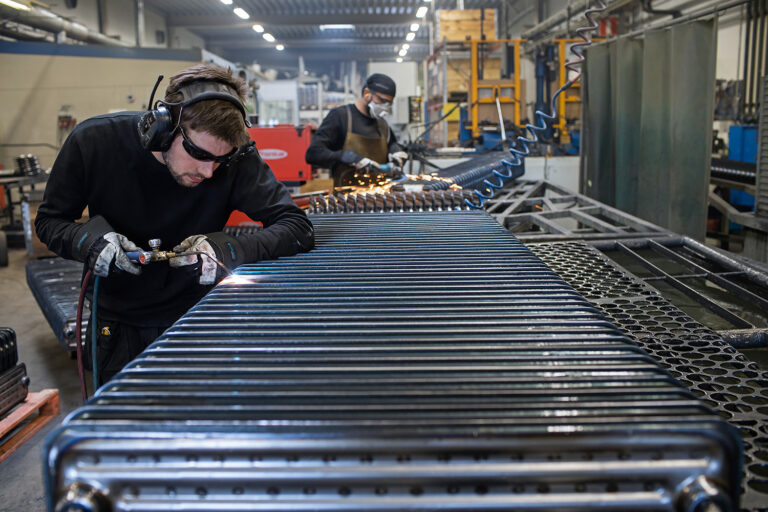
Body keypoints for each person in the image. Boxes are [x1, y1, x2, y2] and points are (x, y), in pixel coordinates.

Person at [35, 63, 314, 384]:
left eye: (219, 161)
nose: (209, 172)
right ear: (163, 128)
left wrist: (229, 248)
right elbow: (50, 222)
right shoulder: (95, 141)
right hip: (118, 321)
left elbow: (296, 226)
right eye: (198, 153)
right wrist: (88, 241)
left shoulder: (236, 160)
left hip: (199, 317)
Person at [305, 73, 408, 187]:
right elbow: (313, 154)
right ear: (366, 93)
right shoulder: (341, 117)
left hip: (378, 198)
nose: (385, 107)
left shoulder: (382, 124)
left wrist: (396, 151)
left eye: (389, 103)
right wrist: (347, 157)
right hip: (346, 200)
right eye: (381, 100)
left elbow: (392, 146)